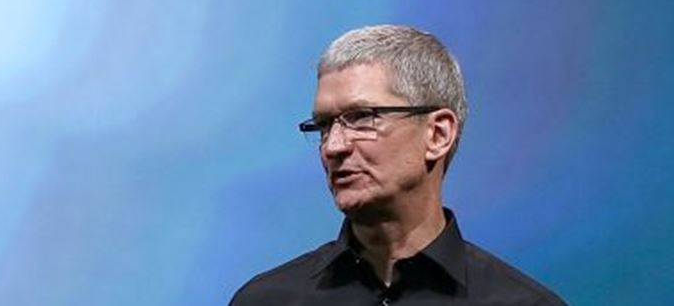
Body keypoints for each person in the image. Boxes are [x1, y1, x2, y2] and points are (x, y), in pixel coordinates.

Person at [231, 25, 564, 305]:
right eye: (324, 126)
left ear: (437, 134)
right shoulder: (266, 300)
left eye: (362, 118)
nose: (333, 146)